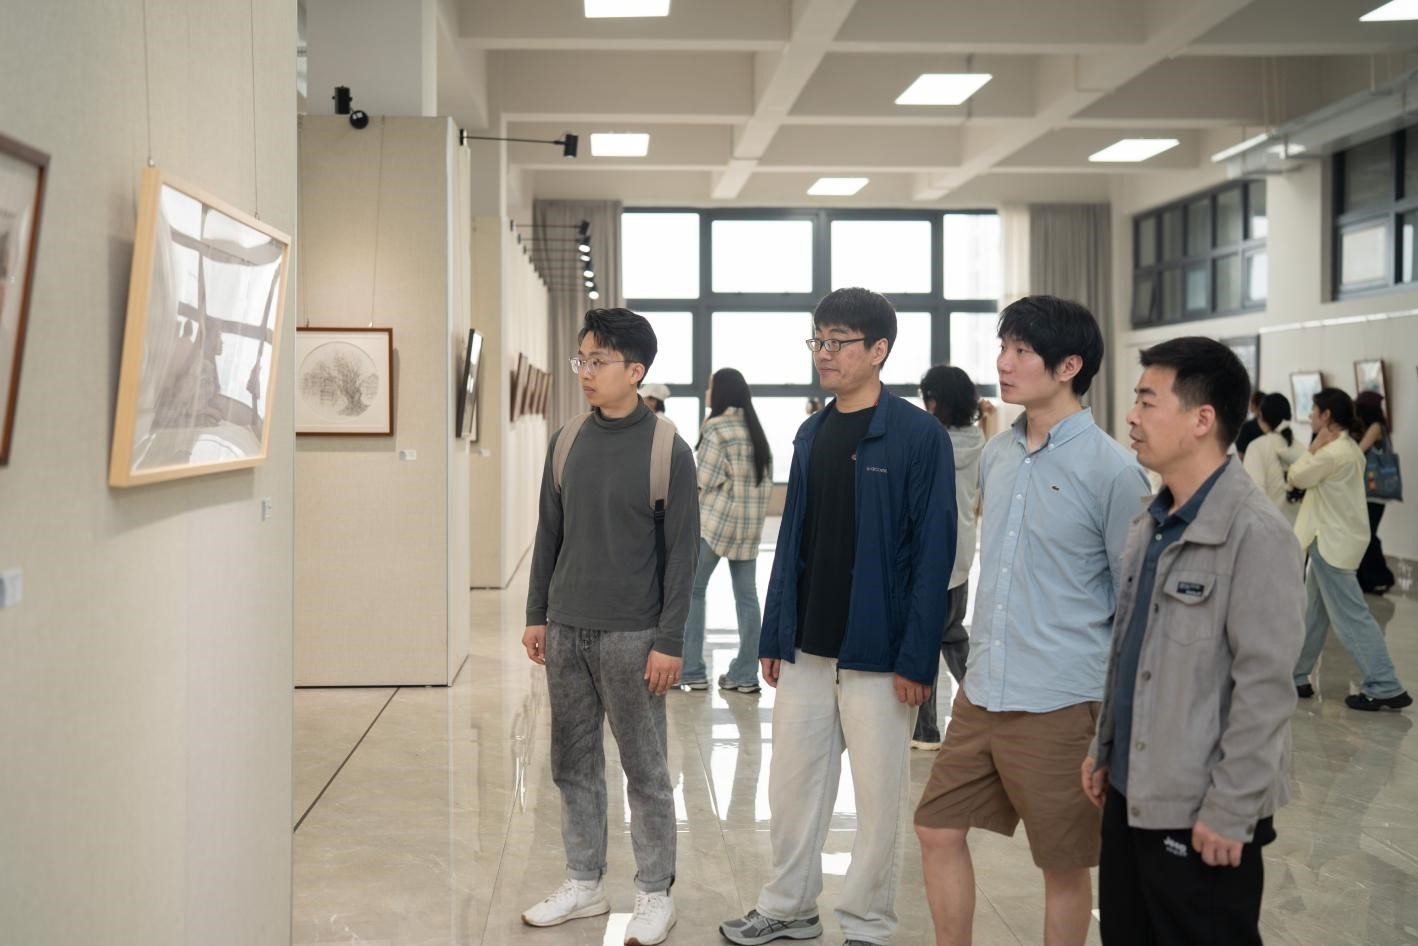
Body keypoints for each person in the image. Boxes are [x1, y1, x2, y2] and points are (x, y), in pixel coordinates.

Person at [719, 287, 956, 946]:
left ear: (879, 350)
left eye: (838, 342)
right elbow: (793, 538)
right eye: (818, 341)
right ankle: (789, 907)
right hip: (807, 646)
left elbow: (932, 554)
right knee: (791, 791)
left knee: (878, 802)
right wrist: (774, 634)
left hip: (879, 652)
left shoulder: (918, 436)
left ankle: (868, 925)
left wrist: (918, 659)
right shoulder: (812, 432)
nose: (824, 353)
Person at [914, 295, 1150, 946]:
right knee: (935, 827)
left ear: (1069, 366)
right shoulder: (999, 453)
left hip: (1061, 699)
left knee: (1063, 864)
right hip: (984, 690)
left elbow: (1134, 602)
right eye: (1003, 348)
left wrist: (1116, 721)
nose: (1003, 363)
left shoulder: (1113, 471)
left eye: (1021, 351)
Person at [1081, 337, 1304, 946]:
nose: (1131, 416)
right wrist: (1106, 747)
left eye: (1147, 401)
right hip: (1132, 793)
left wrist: (1231, 809)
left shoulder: (1255, 533)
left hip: (1202, 809)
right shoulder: (1152, 522)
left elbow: (1265, 690)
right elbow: (1131, 653)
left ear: (1202, 419)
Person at [521, 308, 700, 946]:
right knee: (571, 762)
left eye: (598, 361)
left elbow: (683, 555)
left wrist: (670, 642)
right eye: (582, 359)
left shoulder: (667, 449)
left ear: (635, 370)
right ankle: (584, 881)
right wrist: (536, 613)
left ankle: (654, 892)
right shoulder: (567, 440)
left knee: (645, 770)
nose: (586, 372)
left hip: (633, 636)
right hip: (568, 629)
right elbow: (549, 533)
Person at [1287, 388, 1411, 711]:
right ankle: (1295, 676)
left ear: (1327, 415)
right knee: (1313, 614)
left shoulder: (1331, 453)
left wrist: (1312, 447)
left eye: (1314, 411)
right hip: (1333, 542)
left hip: (1330, 544)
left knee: (1352, 617)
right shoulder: (1349, 448)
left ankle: (1384, 685)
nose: (1310, 416)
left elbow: (1297, 476)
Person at [910, 364, 990, 751]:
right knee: (952, 632)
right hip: (962, 548)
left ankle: (925, 730)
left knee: (926, 637)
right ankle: (985, 707)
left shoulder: (929, 442)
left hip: (932, 549)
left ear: (935, 401)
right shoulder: (977, 439)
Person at [680, 367, 774, 694]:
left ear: (720, 392)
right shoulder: (754, 429)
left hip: (716, 524)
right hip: (748, 526)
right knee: (747, 598)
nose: (706, 392)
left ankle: (691, 670)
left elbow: (704, 480)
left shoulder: (716, 426)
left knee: (692, 591)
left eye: (709, 387)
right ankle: (745, 674)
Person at [1354, 390, 1397, 594]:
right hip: (1368, 494)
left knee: (1367, 535)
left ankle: (1381, 577)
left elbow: (1358, 451)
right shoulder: (1373, 427)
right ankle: (1367, 579)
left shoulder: (1376, 427)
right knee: (1365, 534)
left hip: (1375, 494)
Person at [1241, 392, 1303, 522]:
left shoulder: (1257, 447)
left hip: (1268, 526)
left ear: (1261, 416)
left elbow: (1253, 495)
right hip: (1297, 527)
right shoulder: (1301, 448)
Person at [1234, 389, 1265, 459]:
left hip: (1249, 464)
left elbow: (1240, 454)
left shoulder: (1248, 427)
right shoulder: (1272, 426)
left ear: (1254, 405)